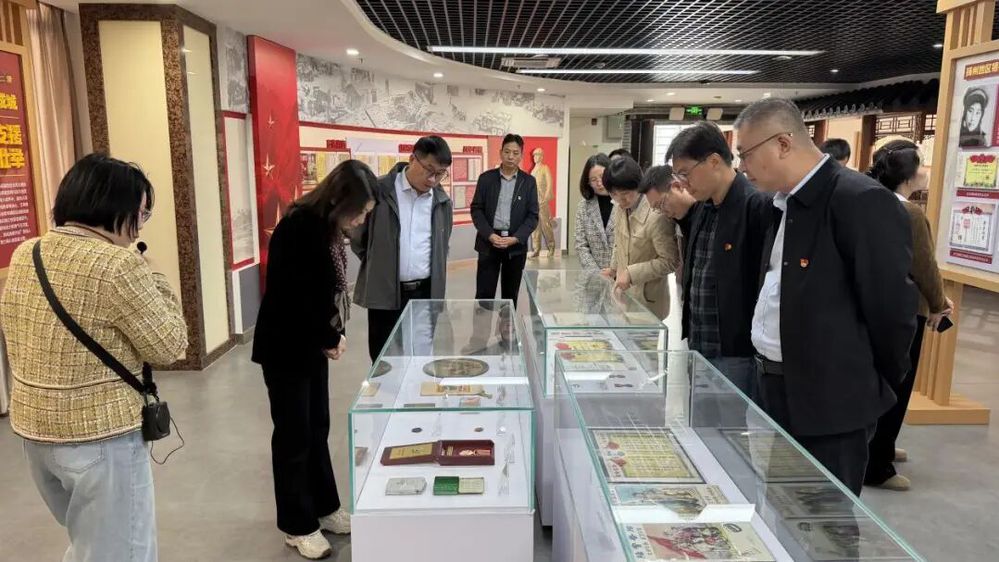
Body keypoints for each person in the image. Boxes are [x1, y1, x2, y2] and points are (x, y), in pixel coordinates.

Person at [0, 153, 188, 562]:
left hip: (35, 433)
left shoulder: (27, 252)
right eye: (140, 213)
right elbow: (171, 345)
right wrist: (152, 271)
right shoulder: (119, 265)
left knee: (89, 543)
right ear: (116, 208)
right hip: (100, 436)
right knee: (123, 552)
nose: (140, 225)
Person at [735, 98, 917, 495]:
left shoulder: (858, 199)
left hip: (830, 401)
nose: (742, 166)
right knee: (780, 504)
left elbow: (892, 312)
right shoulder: (779, 203)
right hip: (773, 386)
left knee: (823, 516)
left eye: (745, 154)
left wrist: (867, 383)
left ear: (783, 143)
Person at [252, 160, 376, 559]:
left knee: (317, 426)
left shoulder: (326, 228)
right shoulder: (299, 227)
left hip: (310, 345)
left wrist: (328, 335)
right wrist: (328, 336)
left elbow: (320, 295)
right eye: (359, 212)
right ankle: (297, 524)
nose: (360, 221)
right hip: (286, 347)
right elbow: (293, 297)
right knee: (294, 435)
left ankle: (324, 507)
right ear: (340, 200)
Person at [650, 121, 773, 398]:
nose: (682, 183)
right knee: (702, 419)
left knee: (731, 421)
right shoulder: (703, 208)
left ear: (714, 161)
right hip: (699, 344)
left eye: (685, 173)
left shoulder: (755, 206)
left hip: (735, 351)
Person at [864, 140, 952, 492]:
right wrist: (939, 303)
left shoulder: (867, 202)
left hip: (872, 307)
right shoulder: (911, 213)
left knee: (879, 383)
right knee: (899, 384)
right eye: (922, 164)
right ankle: (878, 465)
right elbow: (925, 267)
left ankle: (879, 447)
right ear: (910, 174)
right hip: (905, 310)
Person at [351, 135, 454, 362]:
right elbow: (359, 238)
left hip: (425, 291)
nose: (433, 179)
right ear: (412, 159)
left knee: (421, 355)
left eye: (440, 173)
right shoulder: (380, 191)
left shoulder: (442, 201)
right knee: (385, 357)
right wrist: (380, 263)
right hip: (386, 291)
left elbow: (442, 244)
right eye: (429, 170)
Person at [601, 157, 680, 319]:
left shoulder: (657, 213)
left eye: (625, 194)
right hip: (624, 295)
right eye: (614, 194)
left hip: (648, 300)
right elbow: (619, 242)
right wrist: (613, 268)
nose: (620, 200)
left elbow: (670, 260)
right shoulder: (620, 208)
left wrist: (632, 273)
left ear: (639, 186)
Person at [470, 134, 539, 307]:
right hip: (489, 243)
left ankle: (507, 324)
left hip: (515, 245)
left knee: (510, 294)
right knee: (484, 294)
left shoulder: (528, 182)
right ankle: (483, 323)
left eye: (515, 153)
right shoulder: (486, 179)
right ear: (501, 153)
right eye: (507, 152)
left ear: (521, 155)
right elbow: (476, 209)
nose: (510, 157)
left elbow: (533, 216)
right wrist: (489, 235)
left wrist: (516, 238)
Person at [574, 153, 615, 271]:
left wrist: (616, 270)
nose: (599, 183)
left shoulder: (624, 202)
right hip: (594, 275)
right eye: (593, 179)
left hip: (623, 275)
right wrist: (596, 273)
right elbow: (581, 245)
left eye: (602, 176)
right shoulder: (583, 207)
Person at [529, 146, 556, 258]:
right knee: (535, 227)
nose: (535, 157)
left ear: (542, 156)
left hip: (542, 201)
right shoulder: (533, 170)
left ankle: (551, 246)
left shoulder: (545, 168)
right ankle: (536, 249)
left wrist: (546, 197)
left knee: (545, 225)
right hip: (533, 202)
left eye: (537, 154)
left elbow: (549, 183)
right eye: (534, 155)